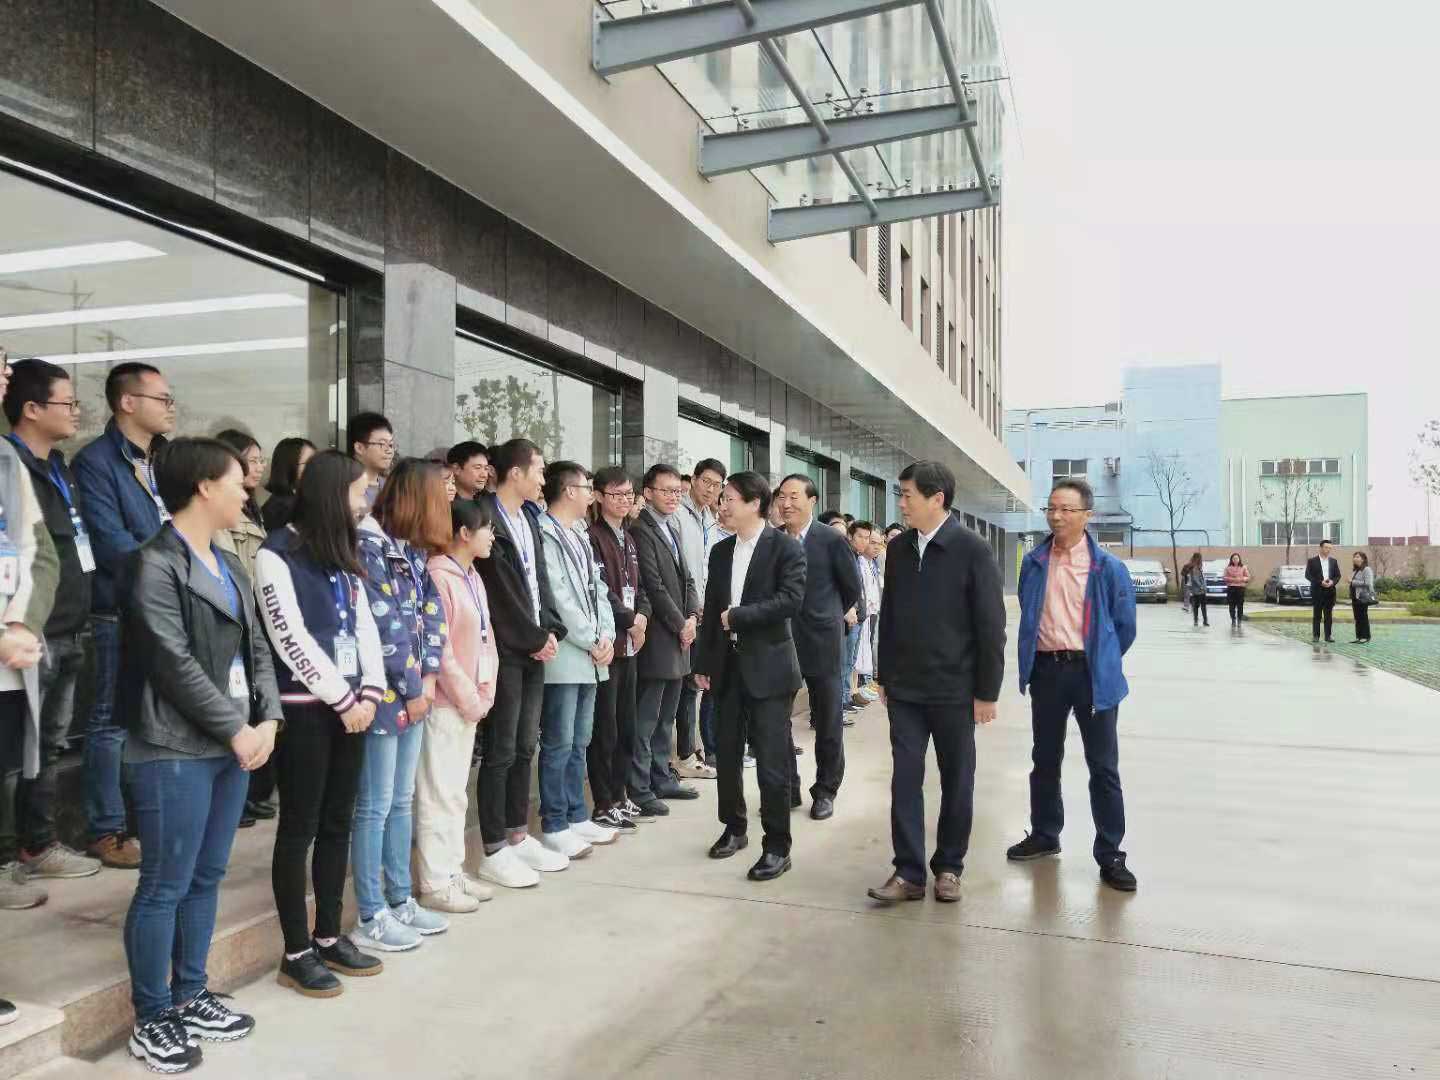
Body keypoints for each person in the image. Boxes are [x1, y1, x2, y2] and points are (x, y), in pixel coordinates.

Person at [118, 437, 282, 1072]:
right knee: (165, 884)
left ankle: (190, 993)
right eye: (238, 480)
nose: (247, 490)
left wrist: (268, 718)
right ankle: (152, 1015)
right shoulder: (154, 564)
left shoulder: (229, 563)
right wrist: (237, 729)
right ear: (205, 487)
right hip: (174, 748)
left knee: (206, 876)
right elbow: (173, 664)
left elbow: (258, 649)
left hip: (232, 742)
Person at [253, 451, 386, 997]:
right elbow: (289, 637)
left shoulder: (342, 551)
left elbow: (365, 627)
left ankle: (329, 934)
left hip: (354, 708)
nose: (365, 502)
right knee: (299, 827)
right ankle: (296, 951)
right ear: (333, 494)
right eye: (359, 492)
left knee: (338, 822)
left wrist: (371, 691)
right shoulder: (276, 553)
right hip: (307, 709)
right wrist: (342, 697)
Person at [868, 462, 1005, 906]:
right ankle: (908, 872)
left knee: (957, 780)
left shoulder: (972, 549)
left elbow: (991, 626)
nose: (901, 503)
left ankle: (949, 867)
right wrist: (884, 675)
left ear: (937, 498)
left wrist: (987, 691)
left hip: (955, 691)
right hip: (906, 691)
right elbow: (890, 615)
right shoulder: (899, 549)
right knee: (905, 779)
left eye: (907, 495)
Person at [1010, 476, 1138, 892]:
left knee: (1103, 766)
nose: (1056, 516)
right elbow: (1030, 612)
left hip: (1091, 675)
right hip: (1047, 672)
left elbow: (1124, 627)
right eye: (1051, 508)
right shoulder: (1034, 562)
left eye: (1066, 509)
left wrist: (1101, 659)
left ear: (1087, 515)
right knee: (1045, 758)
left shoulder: (1108, 568)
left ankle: (1111, 853)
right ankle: (1045, 834)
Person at [73, 361, 176, 869]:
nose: (171, 407)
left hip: (162, 607)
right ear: (128, 403)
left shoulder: (164, 460)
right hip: (119, 607)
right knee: (111, 722)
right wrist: (172, 571)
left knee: (153, 720)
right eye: (162, 398)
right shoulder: (96, 462)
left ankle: (146, 820)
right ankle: (106, 828)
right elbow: (111, 542)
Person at [2, 359, 100, 886]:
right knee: (15, 750)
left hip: (69, 626)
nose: (76, 412)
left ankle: (38, 844)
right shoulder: (10, 465)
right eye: (67, 402)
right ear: (32, 409)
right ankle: (13, 854)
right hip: (27, 632)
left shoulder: (58, 466)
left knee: (50, 746)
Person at [350, 459, 450, 953]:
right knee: (374, 805)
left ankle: (400, 898)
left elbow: (433, 615)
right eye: (439, 496)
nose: (446, 504)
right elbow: (383, 625)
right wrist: (413, 687)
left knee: (401, 800)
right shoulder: (367, 546)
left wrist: (427, 679)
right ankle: (371, 912)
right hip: (385, 697)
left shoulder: (410, 551)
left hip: (416, 694)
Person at [693, 472, 805, 882]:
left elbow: (790, 601)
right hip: (728, 667)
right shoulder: (721, 551)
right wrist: (703, 662)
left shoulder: (785, 548)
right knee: (726, 753)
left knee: (772, 762)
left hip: (770, 669)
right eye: (721, 499)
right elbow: (712, 609)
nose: (722, 506)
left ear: (754, 504)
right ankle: (734, 827)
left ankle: (777, 846)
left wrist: (739, 617)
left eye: (729, 499)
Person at [474, 438, 565, 887]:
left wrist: (551, 631)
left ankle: (516, 832)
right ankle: (493, 847)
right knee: (502, 749)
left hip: (534, 645)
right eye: (539, 470)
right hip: (506, 649)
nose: (543, 479)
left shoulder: (529, 517)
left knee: (527, 745)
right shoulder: (484, 517)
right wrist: (533, 638)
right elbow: (499, 592)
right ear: (515, 473)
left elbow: (538, 580)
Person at [418, 499, 500, 913]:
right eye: (486, 528)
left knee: (456, 795)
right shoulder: (438, 575)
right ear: (464, 533)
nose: (492, 536)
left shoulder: (472, 576)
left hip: (471, 702)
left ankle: (453, 871)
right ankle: (435, 881)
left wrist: (485, 692)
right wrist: (469, 696)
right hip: (447, 703)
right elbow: (440, 649)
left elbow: (486, 640)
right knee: (438, 794)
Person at [537, 463, 618, 859]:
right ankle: (555, 822)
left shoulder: (580, 533)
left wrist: (607, 635)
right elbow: (558, 597)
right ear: (569, 491)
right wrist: (590, 638)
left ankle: (576, 814)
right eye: (587, 487)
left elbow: (598, 589)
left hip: (591, 654)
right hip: (567, 654)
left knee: (580, 740)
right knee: (559, 741)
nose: (591, 493)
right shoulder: (545, 533)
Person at [774, 474, 861, 821]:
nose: (786, 504)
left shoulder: (831, 540)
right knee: (776, 719)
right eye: (782, 497)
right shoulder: (773, 540)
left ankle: (825, 790)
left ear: (812, 501)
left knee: (828, 720)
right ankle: (787, 786)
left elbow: (851, 587)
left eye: (794, 496)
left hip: (823, 642)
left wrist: (827, 615)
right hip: (780, 642)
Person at [629, 464, 702, 817]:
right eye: (666, 490)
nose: (674, 497)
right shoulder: (639, 530)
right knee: (646, 719)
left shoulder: (670, 526)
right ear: (647, 493)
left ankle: (662, 777)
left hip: (679, 637)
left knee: (666, 718)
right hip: (658, 638)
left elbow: (687, 579)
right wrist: (680, 624)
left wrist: (693, 618)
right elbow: (653, 585)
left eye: (677, 491)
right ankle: (640, 788)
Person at [214, 429, 272, 827]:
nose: (258, 468)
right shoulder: (166, 559)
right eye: (250, 461)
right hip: (235, 622)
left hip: (254, 620)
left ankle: (245, 795)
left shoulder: (254, 509)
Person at [587, 467, 650, 831]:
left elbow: (640, 588)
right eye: (616, 494)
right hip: (610, 644)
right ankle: (603, 802)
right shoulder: (593, 537)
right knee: (605, 729)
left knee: (627, 726)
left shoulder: (628, 536)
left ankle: (621, 793)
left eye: (629, 494)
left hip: (631, 646)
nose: (625, 500)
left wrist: (642, 617)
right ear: (598, 496)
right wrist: (629, 620)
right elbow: (601, 591)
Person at [673, 459, 726, 780]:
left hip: (706, 614)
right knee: (685, 686)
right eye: (706, 481)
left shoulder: (709, 519)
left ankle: (692, 751)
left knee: (696, 684)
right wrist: (693, 608)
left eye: (717, 485)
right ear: (693, 479)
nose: (710, 489)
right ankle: (684, 753)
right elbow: (681, 569)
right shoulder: (678, 515)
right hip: (685, 613)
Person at [851, 521, 882, 704]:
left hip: (870, 612)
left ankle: (858, 687)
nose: (876, 546)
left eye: (879, 543)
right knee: (853, 657)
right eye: (873, 542)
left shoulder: (873, 563)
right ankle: (851, 691)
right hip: (858, 613)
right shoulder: (858, 561)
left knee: (863, 651)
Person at [260, 437, 316, 532]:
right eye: (309, 462)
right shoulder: (281, 507)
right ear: (289, 466)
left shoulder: (303, 498)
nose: (317, 467)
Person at [347, 412, 395, 511]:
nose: (389, 450)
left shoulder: (391, 487)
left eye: (391, 445)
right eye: (382, 444)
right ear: (359, 448)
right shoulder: (344, 488)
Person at [1306, 540, 1340, 643]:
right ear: (1320, 548)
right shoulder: (1312, 561)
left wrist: (1332, 582)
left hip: (1330, 591)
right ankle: (1316, 636)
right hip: (1317, 591)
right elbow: (1308, 575)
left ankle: (1328, 636)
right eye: (1326, 547)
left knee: (1328, 615)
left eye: (1330, 548)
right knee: (1317, 615)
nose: (1328, 550)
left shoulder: (1333, 561)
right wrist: (1320, 582)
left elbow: (1338, 575)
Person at [1349, 551, 1375, 644]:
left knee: (1363, 617)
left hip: (1363, 597)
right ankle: (1359, 637)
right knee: (1357, 618)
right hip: (1355, 597)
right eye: (1354, 557)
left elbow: (1368, 583)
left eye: (1357, 557)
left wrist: (1352, 582)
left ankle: (1366, 637)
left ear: (1363, 559)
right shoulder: (1356, 570)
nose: (1355, 558)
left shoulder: (1367, 569)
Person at [1181, 553, 1208, 627]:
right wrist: (1202, 587)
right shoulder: (1195, 567)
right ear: (1199, 558)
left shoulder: (1194, 566)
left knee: (1196, 605)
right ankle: (1204, 621)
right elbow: (1196, 578)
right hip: (1198, 589)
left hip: (1194, 588)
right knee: (1202, 606)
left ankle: (1196, 620)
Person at [1223, 553, 1250, 627]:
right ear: (1231, 559)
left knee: (1240, 605)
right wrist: (1232, 579)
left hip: (1240, 588)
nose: (1235, 560)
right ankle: (1233, 620)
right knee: (1231, 605)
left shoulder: (1243, 567)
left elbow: (1248, 577)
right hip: (1231, 588)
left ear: (1239, 559)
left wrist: (1241, 579)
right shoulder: (1228, 568)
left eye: (1237, 558)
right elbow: (1224, 577)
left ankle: (1239, 620)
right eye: (1234, 558)